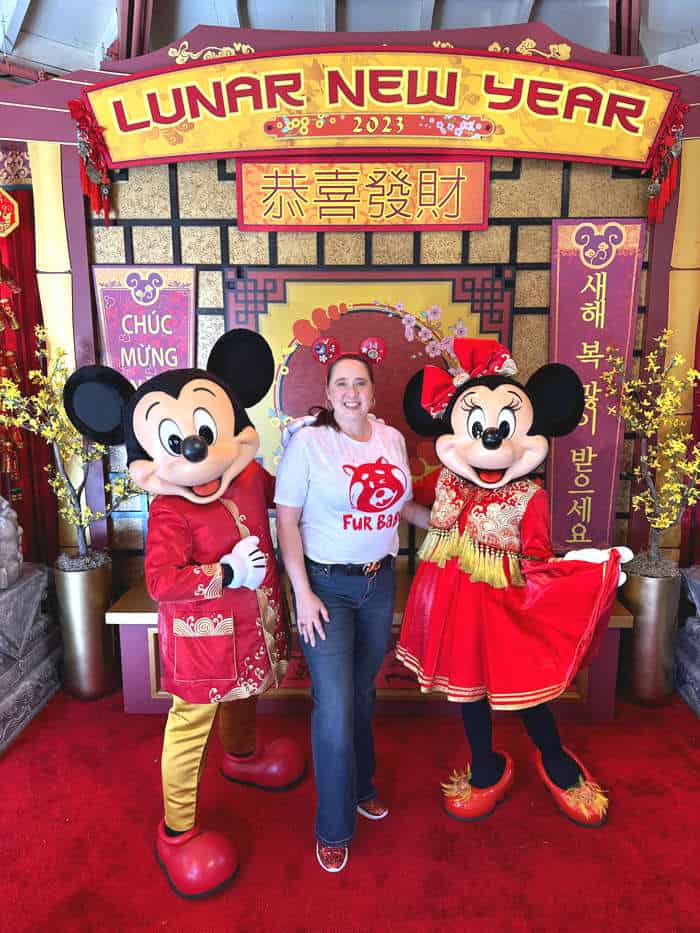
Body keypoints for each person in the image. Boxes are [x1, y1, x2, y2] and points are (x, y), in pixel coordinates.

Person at [398, 338, 631, 827]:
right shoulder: (445, 481)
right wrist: (388, 507)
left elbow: (540, 562)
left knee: (527, 695)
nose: (490, 442)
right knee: (468, 691)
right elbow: (431, 521)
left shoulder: (530, 496)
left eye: (504, 428)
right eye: (476, 427)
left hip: (507, 611)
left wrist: (589, 570)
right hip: (453, 607)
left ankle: (557, 763)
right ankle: (485, 768)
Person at [275, 352, 427, 873]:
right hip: (326, 589)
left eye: (359, 382)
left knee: (362, 694)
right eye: (341, 383)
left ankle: (363, 787)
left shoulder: (390, 439)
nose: (351, 391)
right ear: (329, 390)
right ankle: (334, 827)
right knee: (335, 706)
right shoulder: (309, 443)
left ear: (372, 391)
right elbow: (287, 522)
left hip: (376, 583)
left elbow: (398, 505)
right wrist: (303, 594)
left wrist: (447, 522)